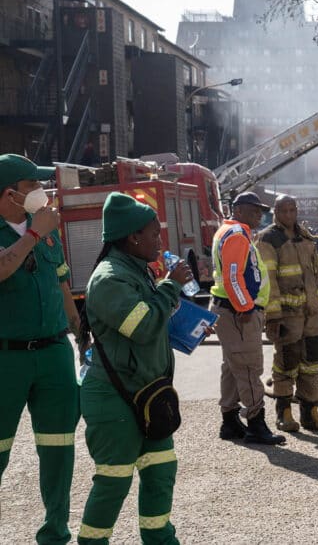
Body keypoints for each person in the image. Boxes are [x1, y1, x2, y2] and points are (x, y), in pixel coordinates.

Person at [78, 192, 193, 543]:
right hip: (115, 401)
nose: (160, 240)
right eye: (154, 233)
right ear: (132, 237)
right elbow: (142, 327)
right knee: (114, 483)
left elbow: (152, 324)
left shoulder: (136, 271)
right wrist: (171, 286)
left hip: (146, 393)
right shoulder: (110, 278)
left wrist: (191, 323)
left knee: (161, 474)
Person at [0, 154, 82, 545]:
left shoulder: (48, 230)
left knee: (58, 448)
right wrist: (32, 233)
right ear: (11, 193)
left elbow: (62, 282)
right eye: (35, 185)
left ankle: (55, 533)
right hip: (6, 358)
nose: (42, 192)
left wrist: (80, 331)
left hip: (53, 354)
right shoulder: (37, 228)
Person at [209, 192, 284, 445]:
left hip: (228, 309)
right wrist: (245, 307)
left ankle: (229, 421)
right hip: (236, 312)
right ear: (238, 210)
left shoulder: (229, 231)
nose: (259, 215)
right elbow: (233, 276)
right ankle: (255, 423)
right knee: (249, 366)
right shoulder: (237, 235)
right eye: (254, 210)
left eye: (260, 210)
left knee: (232, 366)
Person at [257, 196, 318, 432]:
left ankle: (310, 413)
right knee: (286, 364)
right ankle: (284, 413)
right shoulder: (269, 239)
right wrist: (273, 317)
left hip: (311, 315)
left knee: (311, 363)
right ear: (275, 212)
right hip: (287, 316)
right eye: (284, 210)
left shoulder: (305, 236)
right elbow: (268, 281)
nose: (289, 215)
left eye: (293, 210)